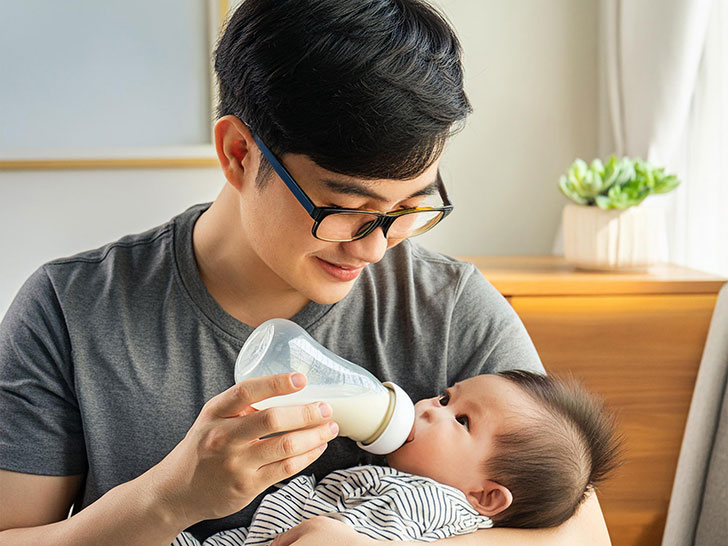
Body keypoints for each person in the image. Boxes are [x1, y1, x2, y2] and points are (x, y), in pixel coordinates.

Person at [0, 1, 612, 545]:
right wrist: (168, 498)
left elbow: (577, 535)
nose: (376, 250)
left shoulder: (450, 309)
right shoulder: (69, 309)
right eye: (347, 210)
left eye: (411, 209)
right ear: (239, 153)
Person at [171, 371, 621, 545]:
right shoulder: (401, 481)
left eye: (460, 420)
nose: (427, 405)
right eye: (446, 397)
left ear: (484, 496)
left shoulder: (429, 502)